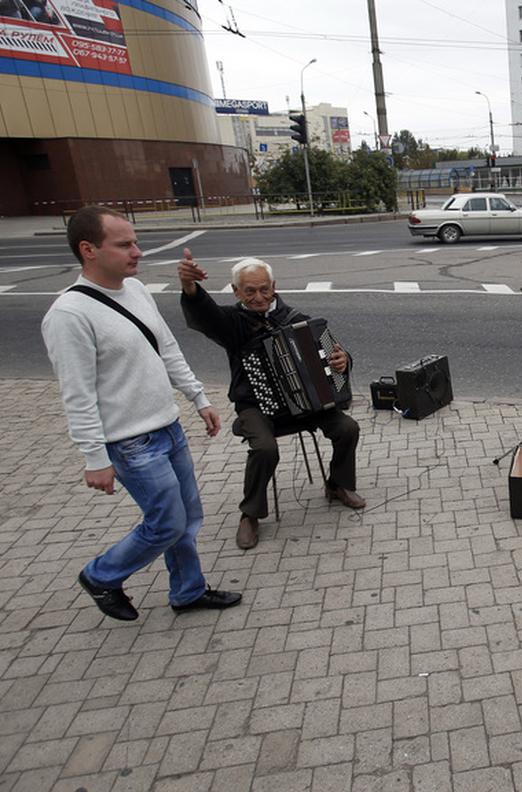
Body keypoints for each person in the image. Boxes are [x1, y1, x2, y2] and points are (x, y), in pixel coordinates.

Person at [42, 206, 241, 621]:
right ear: (88, 250)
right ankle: (101, 576)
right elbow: (76, 395)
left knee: (188, 519)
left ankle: (187, 592)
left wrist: (198, 398)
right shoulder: (68, 315)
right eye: (125, 244)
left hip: (168, 428)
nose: (138, 251)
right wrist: (94, 459)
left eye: (135, 241)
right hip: (130, 443)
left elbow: (167, 349)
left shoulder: (135, 291)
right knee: (166, 524)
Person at [179, 254, 363, 550]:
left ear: (274, 287)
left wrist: (343, 362)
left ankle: (337, 484)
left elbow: (332, 359)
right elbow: (204, 316)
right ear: (236, 291)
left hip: (305, 406)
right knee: (265, 448)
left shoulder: (299, 321)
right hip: (255, 405)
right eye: (249, 291)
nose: (258, 297)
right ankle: (250, 514)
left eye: (264, 289)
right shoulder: (232, 324)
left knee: (348, 427)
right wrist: (189, 287)